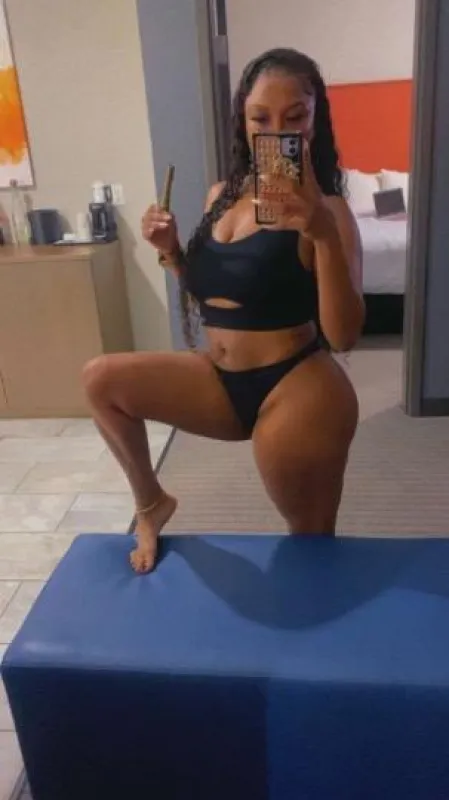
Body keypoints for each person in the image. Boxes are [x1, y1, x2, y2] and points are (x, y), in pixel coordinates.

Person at [83, 48, 364, 574]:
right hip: (220, 378)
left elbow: (344, 335)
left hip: (298, 385)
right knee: (102, 381)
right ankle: (151, 503)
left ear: (315, 119)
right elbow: (215, 298)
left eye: (295, 117)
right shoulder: (221, 196)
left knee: (309, 545)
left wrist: (322, 234)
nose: (276, 132)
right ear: (242, 120)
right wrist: (172, 252)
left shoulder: (331, 210)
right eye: (260, 118)